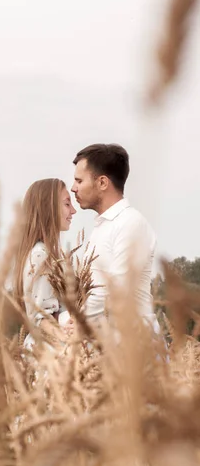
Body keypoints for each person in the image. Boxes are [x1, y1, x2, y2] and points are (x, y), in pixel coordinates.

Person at [70, 143, 160, 336]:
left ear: (102, 183)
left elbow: (116, 288)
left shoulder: (131, 224)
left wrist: (78, 322)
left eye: (79, 181)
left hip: (136, 348)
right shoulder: (102, 226)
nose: (73, 188)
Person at [13, 178, 76, 350]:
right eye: (66, 204)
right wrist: (69, 338)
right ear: (50, 208)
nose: (73, 211)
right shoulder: (41, 255)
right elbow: (40, 318)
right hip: (48, 352)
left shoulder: (46, 253)